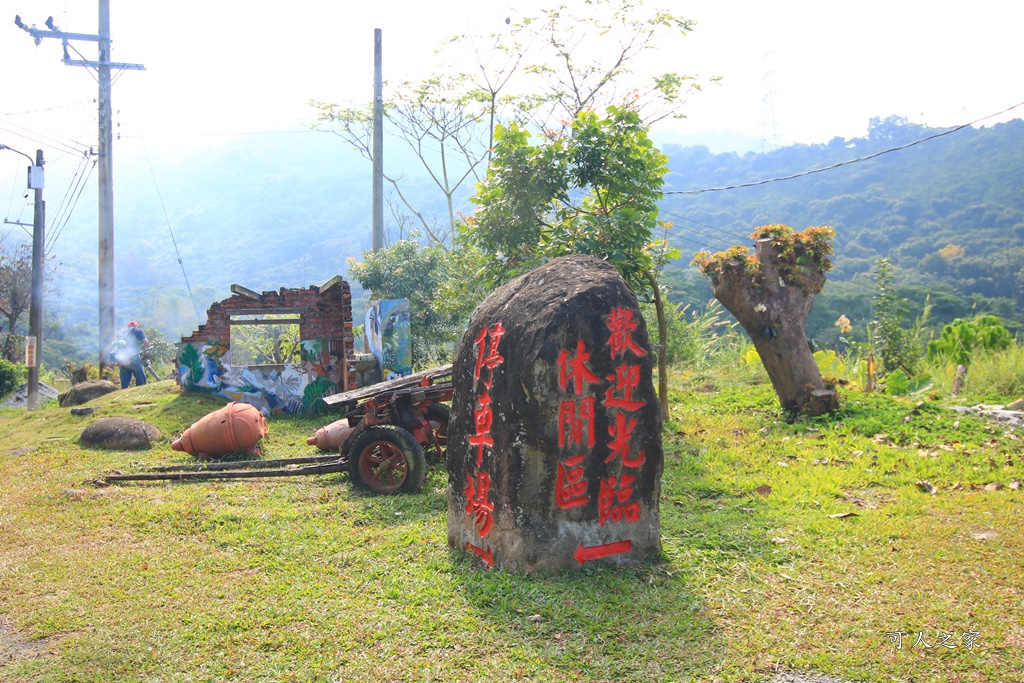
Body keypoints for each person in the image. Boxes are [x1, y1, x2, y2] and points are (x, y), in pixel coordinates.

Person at [114, 321, 150, 389]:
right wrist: (145, 354)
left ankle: (123, 396)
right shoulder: (137, 331)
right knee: (141, 380)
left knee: (124, 383)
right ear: (136, 326)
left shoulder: (121, 332)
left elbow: (116, 345)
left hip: (123, 358)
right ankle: (141, 393)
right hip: (134, 357)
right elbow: (146, 342)